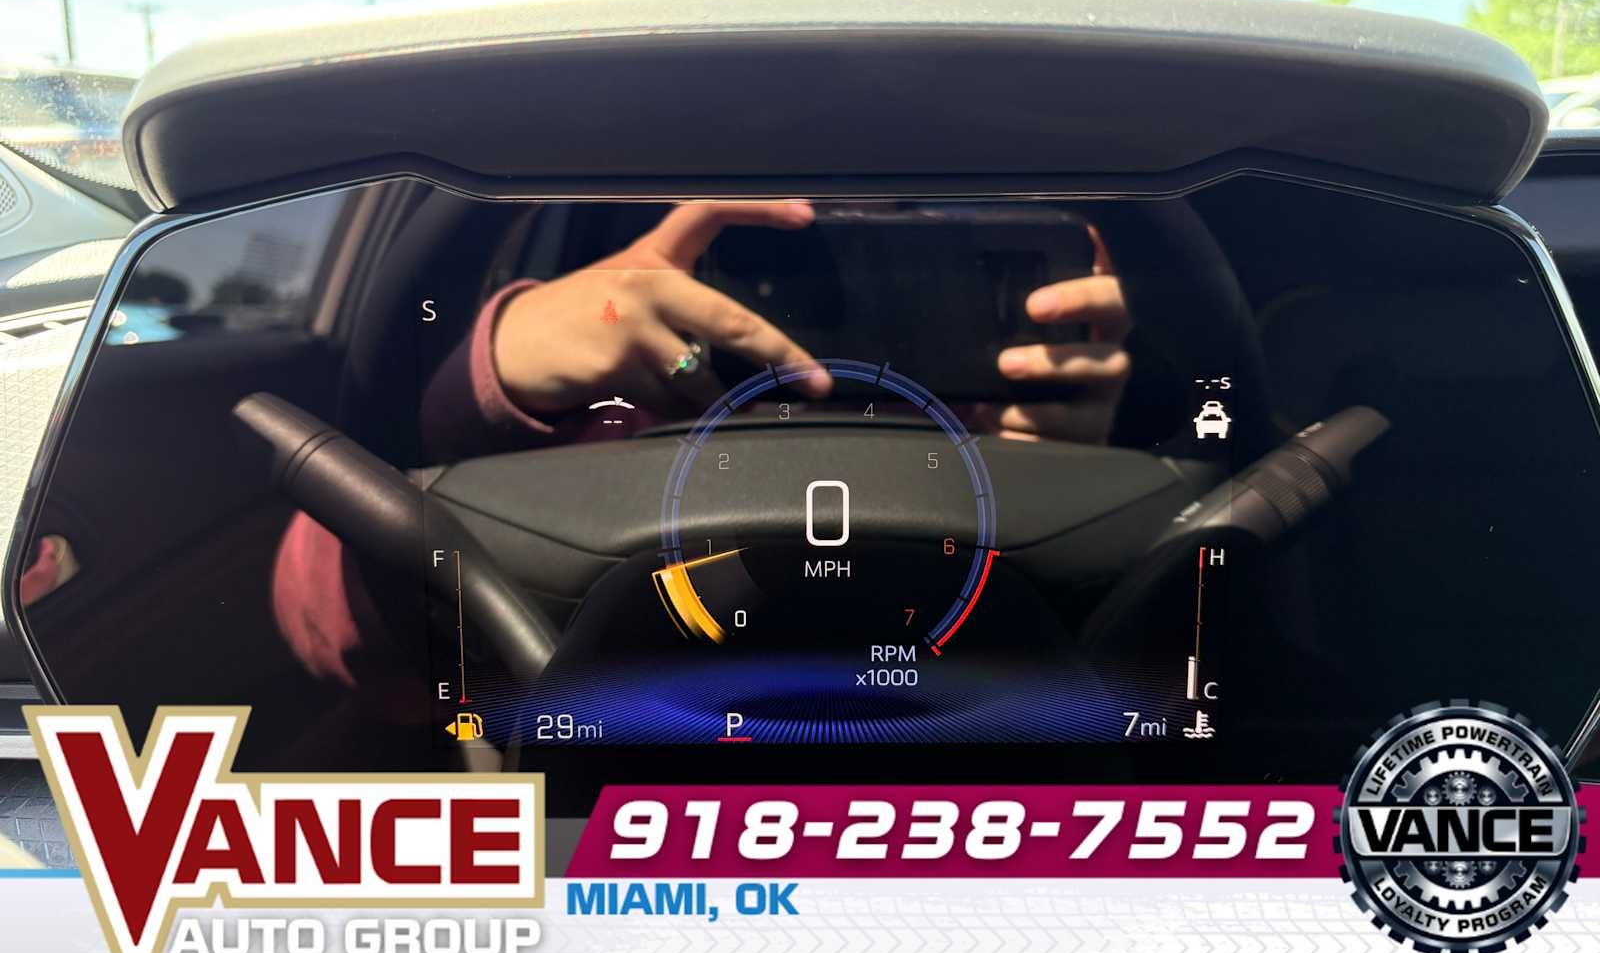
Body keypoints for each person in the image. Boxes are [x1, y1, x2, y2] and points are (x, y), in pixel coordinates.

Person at [271, 199, 1130, 690]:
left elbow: (1147, 670)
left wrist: (1081, 479)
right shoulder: (606, 407)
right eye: (773, 268)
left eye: (912, 240)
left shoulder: (1006, 413)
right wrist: (496, 375)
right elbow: (332, 619)